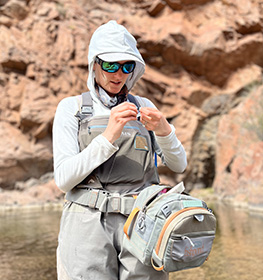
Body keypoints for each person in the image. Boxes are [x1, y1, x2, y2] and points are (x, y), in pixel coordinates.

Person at [52, 20, 187, 280]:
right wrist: (108, 135)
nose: (119, 74)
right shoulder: (72, 108)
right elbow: (63, 179)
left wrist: (164, 131)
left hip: (142, 222)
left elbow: (179, 165)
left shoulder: (145, 105)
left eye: (127, 67)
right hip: (87, 223)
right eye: (110, 65)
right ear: (94, 64)